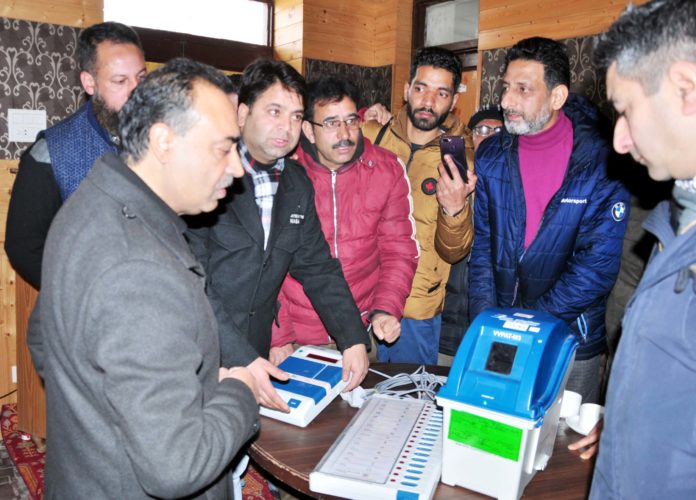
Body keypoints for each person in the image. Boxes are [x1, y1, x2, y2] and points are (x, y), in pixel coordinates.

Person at [27, 58, 260, 499]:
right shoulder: (139, 268)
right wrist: (238, 391)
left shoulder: (90, 202)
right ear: (163, 141)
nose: (237, 168)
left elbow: (44, 335)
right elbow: (177, 465)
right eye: (224, 148)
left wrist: (101, 410)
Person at [187, 59, 370, 411]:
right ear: (242, 114)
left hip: (255, 350)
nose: (287, 127)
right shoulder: (207, 175)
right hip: (199, 351)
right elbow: (194, 284)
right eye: (275, 111)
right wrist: (241, 358)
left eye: (296, 116)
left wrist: (351, 338)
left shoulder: (297, 183)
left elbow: (317, 267)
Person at [575, 2, 696, 496]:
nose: (620, 141)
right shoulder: (677, 220)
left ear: (686, 87)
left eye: (625, 110)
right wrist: (628, 419)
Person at [468, 37, 630, 404]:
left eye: (523, 89)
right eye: (506, 87)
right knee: (501, 427)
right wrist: (487, 323)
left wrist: (527, 323)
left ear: (557, 97)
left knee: (564, 438)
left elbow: (596, 267)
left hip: (570, 337)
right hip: (502, 333)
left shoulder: (601, 162)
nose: (506, 101)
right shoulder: (492, 155)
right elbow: (483, 250)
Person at [268, 77, 419, 365]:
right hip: (294, 337)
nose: (345, 133)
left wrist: (385, 309)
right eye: (331, 123)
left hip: (358, 332)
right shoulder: (283, 174)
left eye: (351, 121)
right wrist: (278, 336)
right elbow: (266, 266)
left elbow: (398, 250)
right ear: (308, 130)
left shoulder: (386, 169)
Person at [5, 21, 146, 289]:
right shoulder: (50, 153)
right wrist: (77, 293)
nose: (136, 91)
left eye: (141, 77)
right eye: (120, 81)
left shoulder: (165, 140)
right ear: (89, 82)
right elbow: (24, 246)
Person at [362, 46, 477, 364]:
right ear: (406, 90)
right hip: (356, 298)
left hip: (415, 311)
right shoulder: (371, 136)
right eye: (421, 88)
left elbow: (455, 253)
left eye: (441, 93)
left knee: (406, 392)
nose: (428, 101)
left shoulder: (458, 158)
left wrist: (454, 210)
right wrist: (363, 113)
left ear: (453, 101)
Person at [438, 104, 504, 366]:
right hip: (443, 323)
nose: (489, 136)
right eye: (482, 130)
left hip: (492, 324)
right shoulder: (451, 180)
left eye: (498, 131)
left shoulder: (516, 188)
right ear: (470, 137)